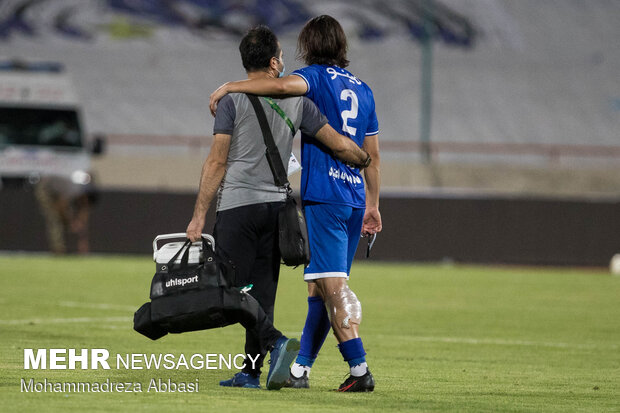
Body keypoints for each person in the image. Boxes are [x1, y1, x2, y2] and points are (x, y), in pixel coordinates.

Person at [186, 25, 372, 390]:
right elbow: (338, 144)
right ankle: (252, 373)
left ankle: (273, 343)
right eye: (282, 57)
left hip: (238, 207)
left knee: (230, 290)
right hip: (277, 211)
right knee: (262, 294)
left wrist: (198, 215)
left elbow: (216, 162)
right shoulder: (299, 103)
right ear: (273, 63)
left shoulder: (231, 102)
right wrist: (364, 159)